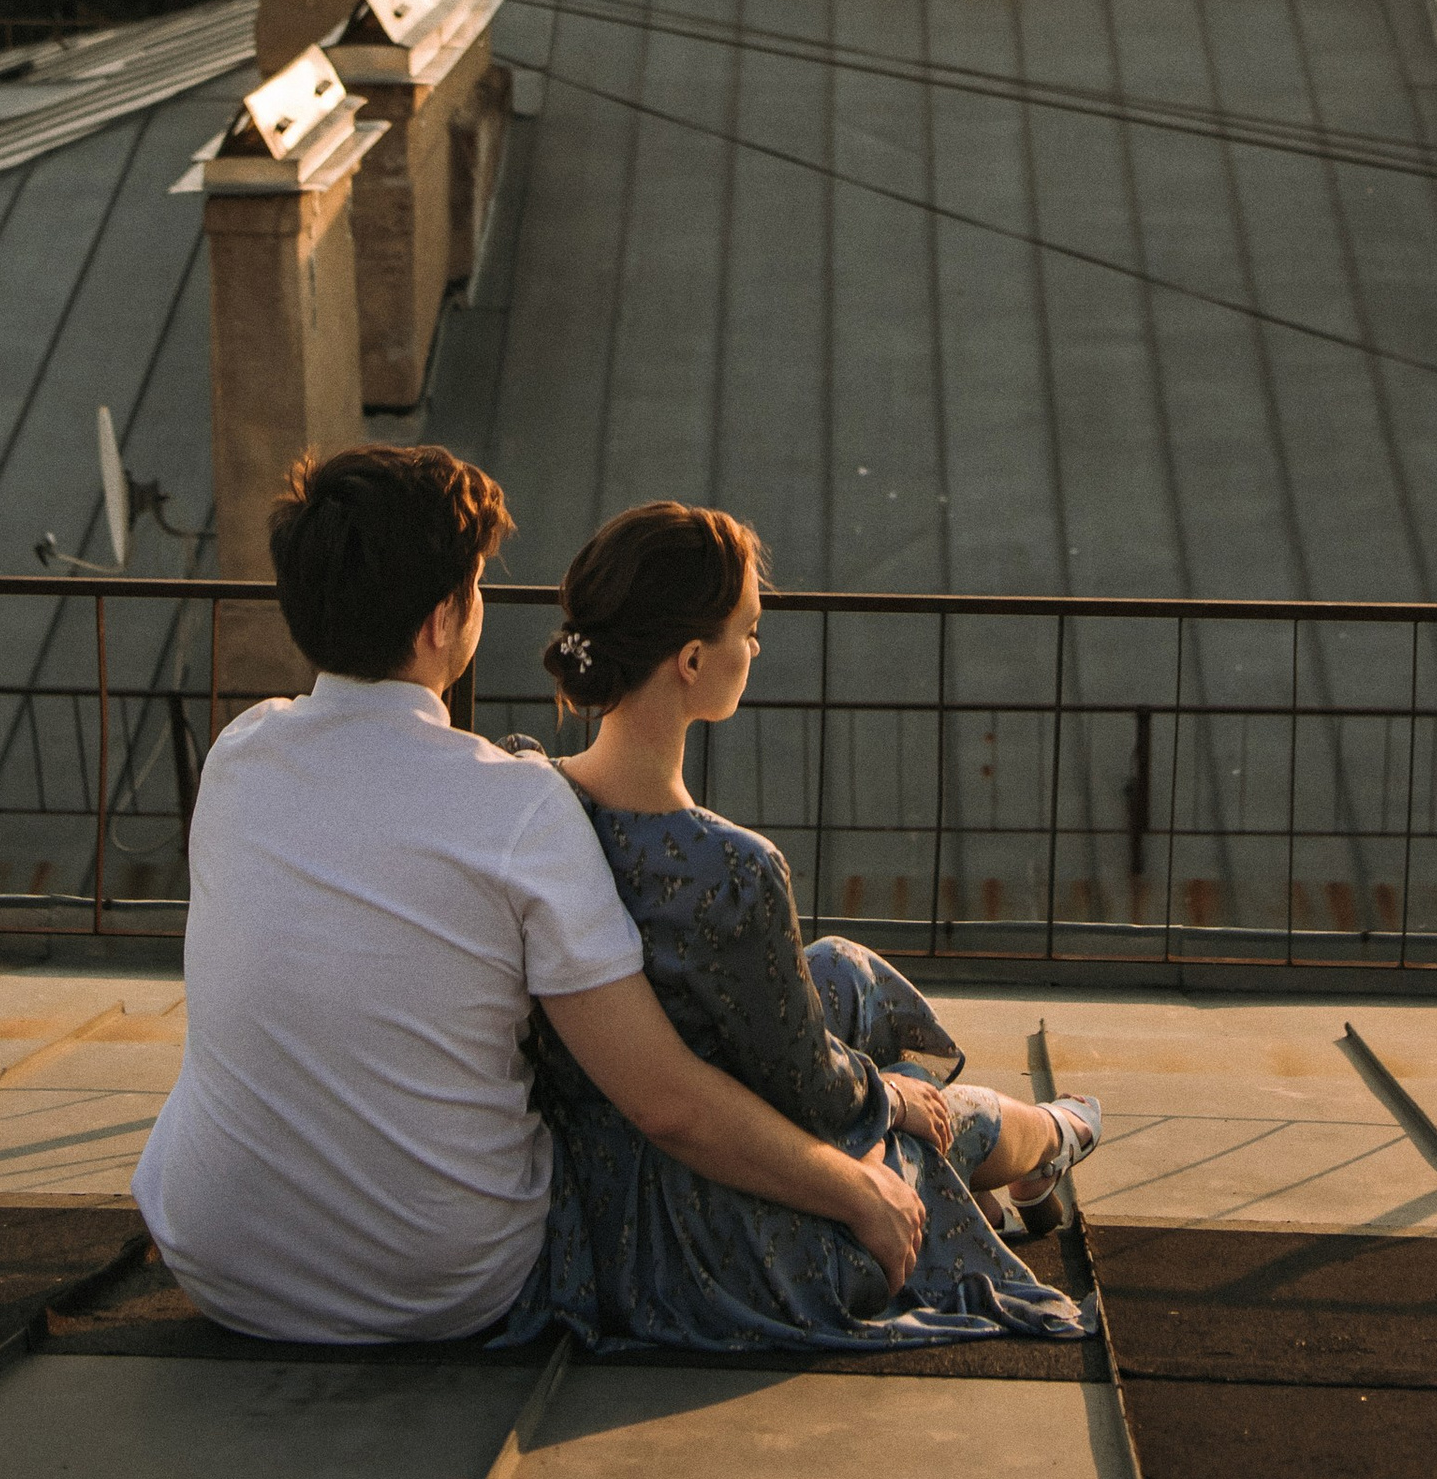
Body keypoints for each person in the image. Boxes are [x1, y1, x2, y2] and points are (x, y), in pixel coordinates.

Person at [133, 447, 925, 1346]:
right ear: (442, 622)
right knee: (795, 1079)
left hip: (220, 1262)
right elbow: (666, 1102)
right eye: (473, 585)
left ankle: (976, 1119)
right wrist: (856, 1191)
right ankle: (997, 1128)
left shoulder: (241, 754)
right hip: (438, 1283)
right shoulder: (514, 802)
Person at [507, 502, 1099, 1356]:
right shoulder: (732, 870)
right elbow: (811, 1097)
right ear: (692, 659)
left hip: (582, 1195)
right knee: (928, 1111)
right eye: (748, 629)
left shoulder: (534, 789)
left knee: (838, 969)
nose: (756, 647)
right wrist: (888, 1093)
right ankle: (1057, 1134)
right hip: (708, 1234)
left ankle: (1015, 1140)